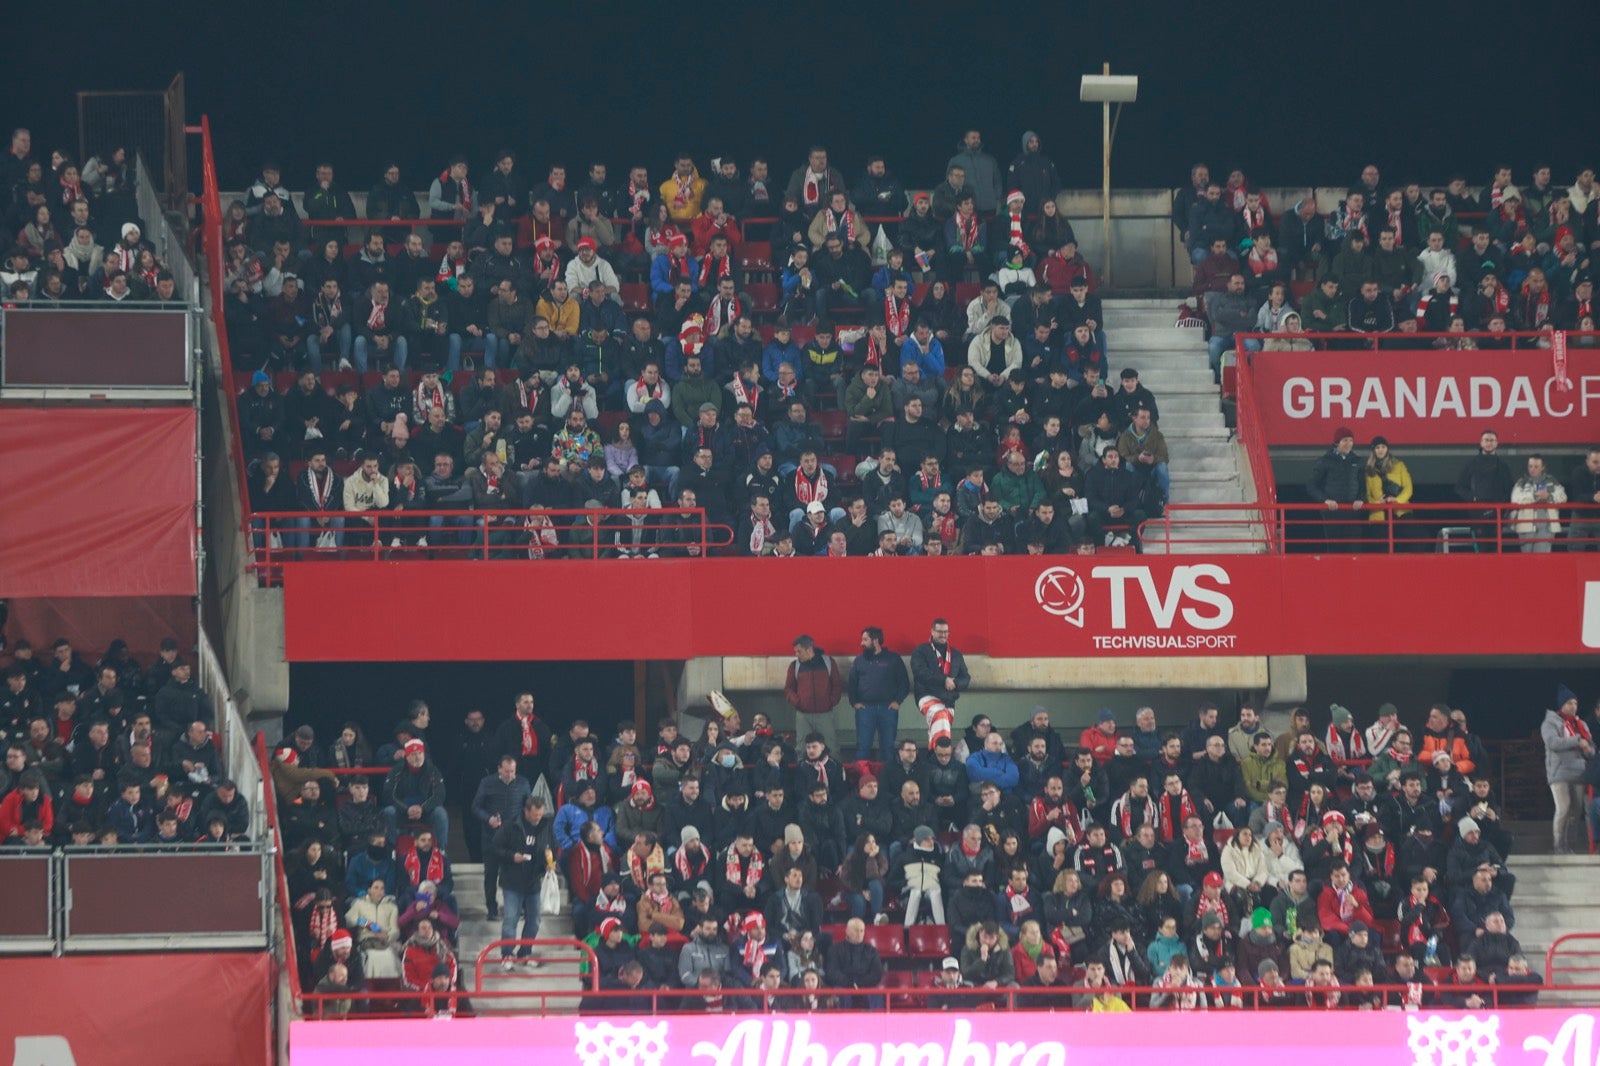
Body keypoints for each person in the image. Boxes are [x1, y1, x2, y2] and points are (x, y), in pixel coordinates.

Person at [1541, 684, 1593, 854]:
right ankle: (1558, 846)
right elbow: (1552, 742)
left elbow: (1590, 745)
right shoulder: (1550, 722)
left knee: (1576, 812)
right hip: (1559, 773)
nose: (1573, 706)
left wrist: (1588, 749)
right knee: (1563, 808)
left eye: (1575, 703)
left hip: (1579, 772)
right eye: (1570, 703)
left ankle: (1570, 846)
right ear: (1561, 705)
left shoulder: (1581, 723)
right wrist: (1577, 741)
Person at [847, 627, 909, 762]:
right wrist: (854, 703)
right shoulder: (859, 661)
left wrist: (898, 701)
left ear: (875, 641)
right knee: (863, 747)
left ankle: (886, 781)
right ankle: (861, 781)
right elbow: (851, 684)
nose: (861, 643)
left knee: (888, 748)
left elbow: (904, 682)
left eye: (865, 640)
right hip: (865, 709)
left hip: (888, 709)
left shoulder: (893, 659)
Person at [1306, 426, 1364, 548]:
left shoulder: (1358, 461)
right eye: (1345, 440)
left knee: (1354, 550)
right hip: (1332, 513)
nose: (1349, 444)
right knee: (1335, 550)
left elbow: (1363, 485)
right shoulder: (1325, 460)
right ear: (1337, 442)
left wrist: (1361, 498)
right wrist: (1325, 500)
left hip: (1353, 513)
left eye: (1351, 440)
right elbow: (1312, 485)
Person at [784, 636, 844, 754]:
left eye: (799, 651)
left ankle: (834, 771)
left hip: (825, 714)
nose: (796, 654)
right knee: (801, 748)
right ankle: (803, 771)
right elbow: (788, 688)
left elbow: (837, 685)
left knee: (831, 747)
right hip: (803, 715)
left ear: (809, 649)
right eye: (795, 651)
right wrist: (798, 703)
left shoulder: (828, 662)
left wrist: (831, 701)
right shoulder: (794, 666)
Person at [1455, 429, 1514, 549]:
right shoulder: (1472, 463)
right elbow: (1459, 487)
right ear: (1481, 443)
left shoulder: (1503, 466)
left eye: (1492, 440)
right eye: (1486, 440)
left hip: (1497, 516)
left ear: (1497, 443)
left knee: (1496, 552)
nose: (1489, 443)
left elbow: (1510, 490)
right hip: (1477, 516)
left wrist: (1502, 506)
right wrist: (1473, 497)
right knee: (1481, 552)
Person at [1510, 454, 1567, 553]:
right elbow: (1515, 499)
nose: (1532, 469)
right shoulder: (1521, 482)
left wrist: (1549, 497)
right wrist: (1534, 497)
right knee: (1527, 561)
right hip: (1525, 527)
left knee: (1542, 561)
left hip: (1546, 528)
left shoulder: (1552, 481)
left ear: (1543, 467)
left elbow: (1562, 497)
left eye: (1536, 466)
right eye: (1530, 466)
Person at [910, 618, 971, 705]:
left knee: (944, 719)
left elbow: (966, 677)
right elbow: (920, 672)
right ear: (932, 632)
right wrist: (944, 680)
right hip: (927, 696)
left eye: (946, 632)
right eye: (939, 632)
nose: (943, 635)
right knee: (941, 718)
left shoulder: (956, 654)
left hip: (949, 699)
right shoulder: (921, 650)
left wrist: (955, 683)